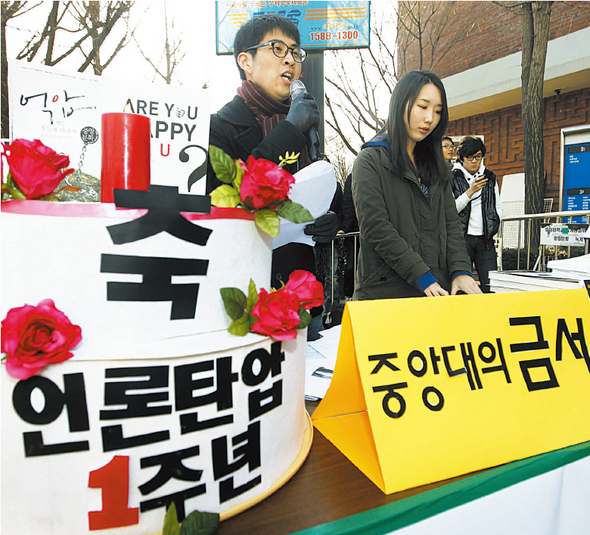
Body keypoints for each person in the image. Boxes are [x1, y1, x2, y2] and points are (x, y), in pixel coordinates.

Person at [207, 13, 338, 339]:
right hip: (247, 298)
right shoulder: (218, 127)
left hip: (302, 296)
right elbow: (234, 195)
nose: (290, 60)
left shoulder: (303, 123)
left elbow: (320, 192)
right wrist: (290, 130)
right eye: (277, 49)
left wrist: (330, 221)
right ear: (246, 61)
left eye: (295, 52)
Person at [351, 70, 481, 300]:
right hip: (387, 294)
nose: (430, 118)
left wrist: (461, 269)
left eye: (438, 111)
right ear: (401, 103)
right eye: (423, 106)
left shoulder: (435, 164)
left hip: (435, 290)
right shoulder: (370, 160)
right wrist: (420, 274)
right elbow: (376, 228)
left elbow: (451, 223)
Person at [451, 136, 502, 293]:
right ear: (462, 157)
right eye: (470, 157)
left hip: (485, 240)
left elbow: (497, 205)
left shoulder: (490, 177)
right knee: (462, 287)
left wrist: (495, 224)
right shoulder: (452, 177)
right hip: (462, 239)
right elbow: (451, 209)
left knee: (490, 285)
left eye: (478, 156)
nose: (474, 161)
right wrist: (470, 191)